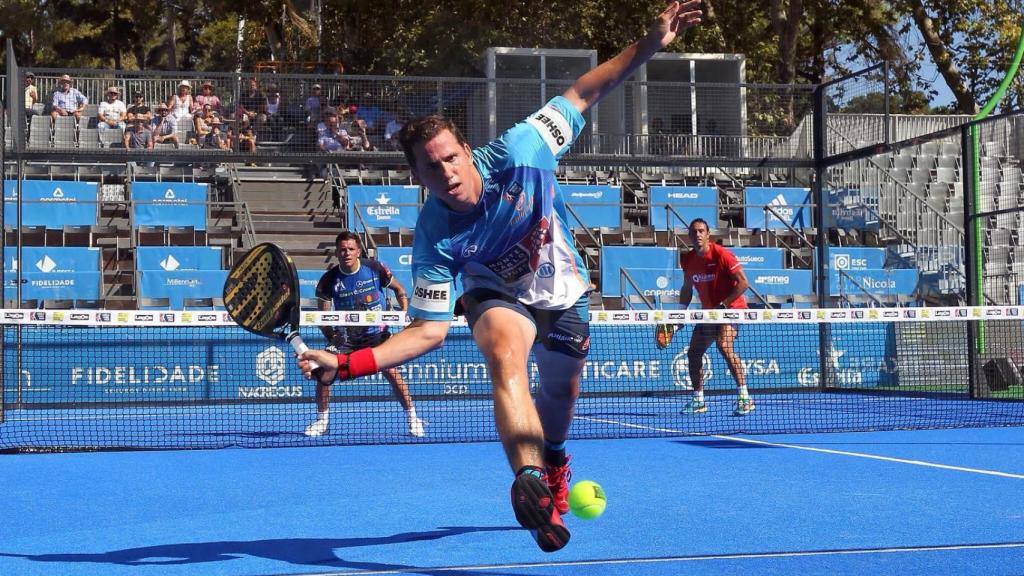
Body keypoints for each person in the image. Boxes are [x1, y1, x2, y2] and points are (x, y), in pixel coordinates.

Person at [296, 1, 703, 553]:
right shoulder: (434, 236)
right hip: (496, 294)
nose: (446, 172)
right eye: (431, 167)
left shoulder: (524, 147)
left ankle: (553, 460)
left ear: (467, 152)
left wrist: (650, 43)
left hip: (564, 290)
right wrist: (347, 364)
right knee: (506, 357)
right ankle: (528, 481)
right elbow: (428, 331)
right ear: (417, 176)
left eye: (450, 158)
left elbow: (585, 92)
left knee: (561, 391)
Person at [304, 231, 425, 439]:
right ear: (336, 252)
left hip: (376, 335)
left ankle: (413, 418)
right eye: (342, 250)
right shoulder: (328, 280)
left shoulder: (375, 269)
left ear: (358, 251)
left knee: (392, 372)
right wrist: (332, 336)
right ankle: (321, 421)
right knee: (324, 374)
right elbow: (323, 318)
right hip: (346, 338)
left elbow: (400, 290)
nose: (347, 253)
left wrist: (404, 316)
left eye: (351, 249)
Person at [662, 218, 755, 416]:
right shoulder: (688, 260)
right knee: (693, 353)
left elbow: (743, 283)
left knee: (724, 345)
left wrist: (724, 305)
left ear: (708, 234)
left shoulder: (721, 254)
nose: (697, 234)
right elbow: (687, 288)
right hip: (709, 312)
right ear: (689, 235)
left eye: (701, 231)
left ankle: (745, 398)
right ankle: (698, 400)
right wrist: (680, 313)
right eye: (694, 231)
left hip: (732, 309)